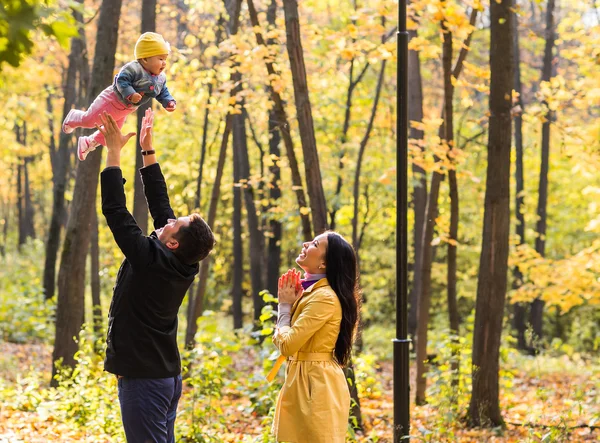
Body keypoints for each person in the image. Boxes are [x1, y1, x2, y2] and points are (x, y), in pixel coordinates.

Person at [98, 108, 214, 443]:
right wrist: (148, 150)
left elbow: (116, 212)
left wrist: (114, 150)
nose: (165, 221)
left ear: (173, 241)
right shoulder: (181, 261)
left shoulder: (151, 260)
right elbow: (162, 207)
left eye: (172, 225)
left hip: (145, 382)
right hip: (164, 378)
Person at [267, 231, 361, 443]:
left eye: (315, 244)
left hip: (316, 386)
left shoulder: (325, 298)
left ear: (324, 263)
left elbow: (288, 344)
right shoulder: (312, 292)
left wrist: (284, 307)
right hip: (303, 380)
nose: (306, 243)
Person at [63, 32, 176, 161]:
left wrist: (168, 102)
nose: (164, 63)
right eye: (160, 59)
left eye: (165, 59)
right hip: (111, 100)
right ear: (145, 59)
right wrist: (131, 94)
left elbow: (162, 91)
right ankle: (73, 117)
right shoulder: (134, 69)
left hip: (125, 109)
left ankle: (88, 142)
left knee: (112, 133)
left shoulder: (160, 78)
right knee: (89, 121)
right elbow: (121, 81)